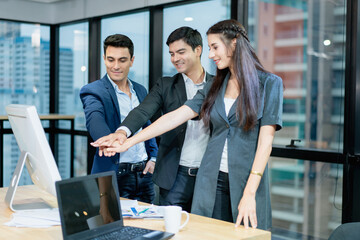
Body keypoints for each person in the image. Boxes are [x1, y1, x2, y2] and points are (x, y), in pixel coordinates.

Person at [95, 19, 283, 230]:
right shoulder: (216, 85)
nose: (211, 55)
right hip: (208, 179)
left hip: (242, 179)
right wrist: (127, 140)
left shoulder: (268, 83)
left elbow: (265, 143)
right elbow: (174, 116)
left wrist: (249, 193)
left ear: (234, 43)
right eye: (210, 48)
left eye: (215, 47)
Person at [92, 27, 213, 212]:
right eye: (172, 54)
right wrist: (121, 132)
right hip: (175, 176)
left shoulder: (218, 85)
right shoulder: (165, 85)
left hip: (209, 174)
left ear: (198, 50)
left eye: (181, 52)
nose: (175, 59)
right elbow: (142, 112)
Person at [80, 34, 158, 203]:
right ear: (104, 59)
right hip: (114, 174)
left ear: (132, 60)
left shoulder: (140, 90)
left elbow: (146, 125)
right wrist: (108, 141)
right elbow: (95, 119)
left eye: (122, 60)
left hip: (144, 174)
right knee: (110, 226)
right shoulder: (94, 90)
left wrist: (153, 157)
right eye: (110, 60)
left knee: (148, 226)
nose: (115, 66)